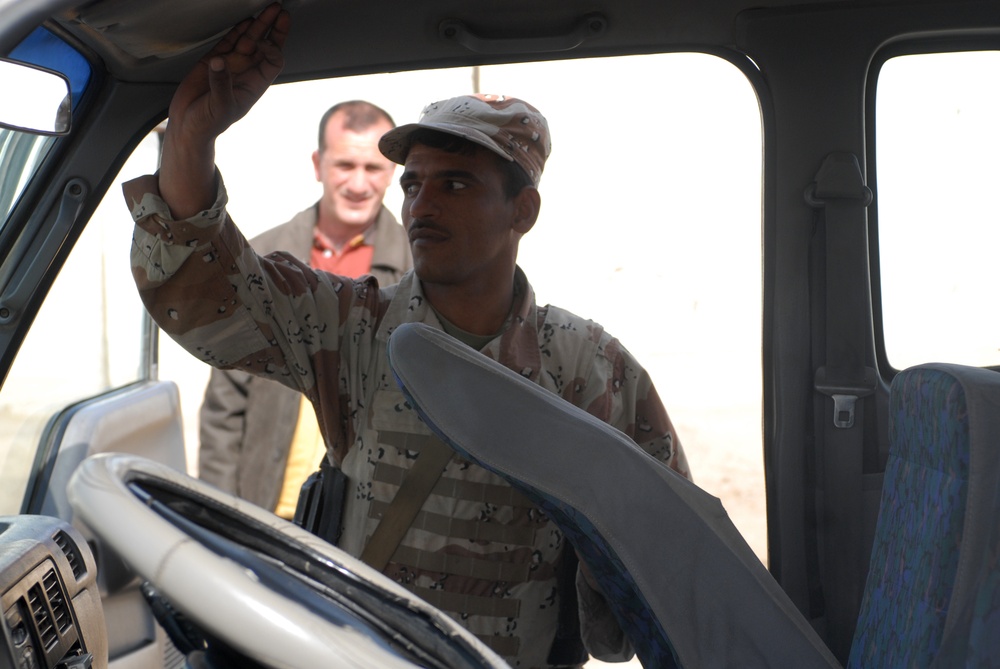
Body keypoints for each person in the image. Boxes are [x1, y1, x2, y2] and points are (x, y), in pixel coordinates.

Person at [125, 5, 690, 666]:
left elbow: (675, 568)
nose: (422, 205)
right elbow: (211, 294)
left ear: (522, 210)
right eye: (415, 184)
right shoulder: (355, 326)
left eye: (455, 184)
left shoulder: (590, 368)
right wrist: (191, 140)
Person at [197, 99, 412, 519]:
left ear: (392, 173)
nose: (358, 183)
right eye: (345, 165)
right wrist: (218, 515)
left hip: (369, 519)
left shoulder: (416, 268)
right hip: (269, 511)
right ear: (318, 164)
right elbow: (225, 406)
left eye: (373, 168)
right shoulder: (260, 258)